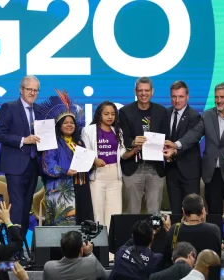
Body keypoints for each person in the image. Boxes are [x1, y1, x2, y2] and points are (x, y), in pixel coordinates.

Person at [165, 82, 224, 224]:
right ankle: (216, 244)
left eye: (222, 97)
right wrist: (176, 145)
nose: (219, 100)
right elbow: (194, 134)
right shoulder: (207, 115)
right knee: (214, 217)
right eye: (216, 97)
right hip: (212, 176)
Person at [0, 75, 41, 247]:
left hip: (34, 164)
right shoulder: (9, 107)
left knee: (26, 205)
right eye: (29, 89)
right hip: (15, 165)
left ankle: (18, 247)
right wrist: (23, 140)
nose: (32, 93)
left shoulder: (40, 110)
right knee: (18, 205)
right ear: (21, 89)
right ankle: (13, 247)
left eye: (35, 90)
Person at [37, 90, 94, 225]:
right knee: (62, 225)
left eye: (72, 122)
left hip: (80, 188)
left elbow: (86, 165)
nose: (69, 125)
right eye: (65, 122)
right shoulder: (52, 143)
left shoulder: (79, 143)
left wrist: (91, 163)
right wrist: (65, 170)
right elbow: (48, 166)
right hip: (61, 189)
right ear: (59, 125)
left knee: (80, 225)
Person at [81, 101, 140, 229]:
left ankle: (112, 246)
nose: (110, 117)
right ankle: (100, 246)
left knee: (114, 214)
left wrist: (134, 150)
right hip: (97, 177)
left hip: (115, 177)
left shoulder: (117, 131)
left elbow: (123, 154)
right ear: (99, 114)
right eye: (106, 114)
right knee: (98, 215)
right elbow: (84, 152)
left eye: (113, 114)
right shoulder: (88, 130)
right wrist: (94, 160)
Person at [119, 76, 169, 215]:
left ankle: (155, 237)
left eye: (146, 90)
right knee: (132, 212)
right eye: (140, 90)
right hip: (133, 167)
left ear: (152, 91)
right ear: (135, 92)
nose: (143, 94)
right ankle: (132, 237)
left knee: (154, 212)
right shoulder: (125, 112)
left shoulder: (161, 111)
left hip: (155, 168)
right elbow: (124, 138)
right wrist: (133, 142)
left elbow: (166, 136)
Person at [165, 81, 202, 214]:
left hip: (189, 171)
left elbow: (191, 139)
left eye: (180, 96)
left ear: (187, 97)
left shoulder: (195, 116)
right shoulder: (165, 113)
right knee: (175, 210)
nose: (177, 100)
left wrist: (174, 149)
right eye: (174, 96)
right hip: (171, 171)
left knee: (192, 210)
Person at [164, 194, 222, 268]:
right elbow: (217, 257)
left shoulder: (174, 229)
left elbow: (167, 257)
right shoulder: (214, 230)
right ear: (203, 210)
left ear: (183, 211)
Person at [43, 231, 108, 280]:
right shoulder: (92, 263)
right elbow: (106, 277)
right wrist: (89, 253)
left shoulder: (48, 267)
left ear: (62, 249)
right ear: (81, 250)